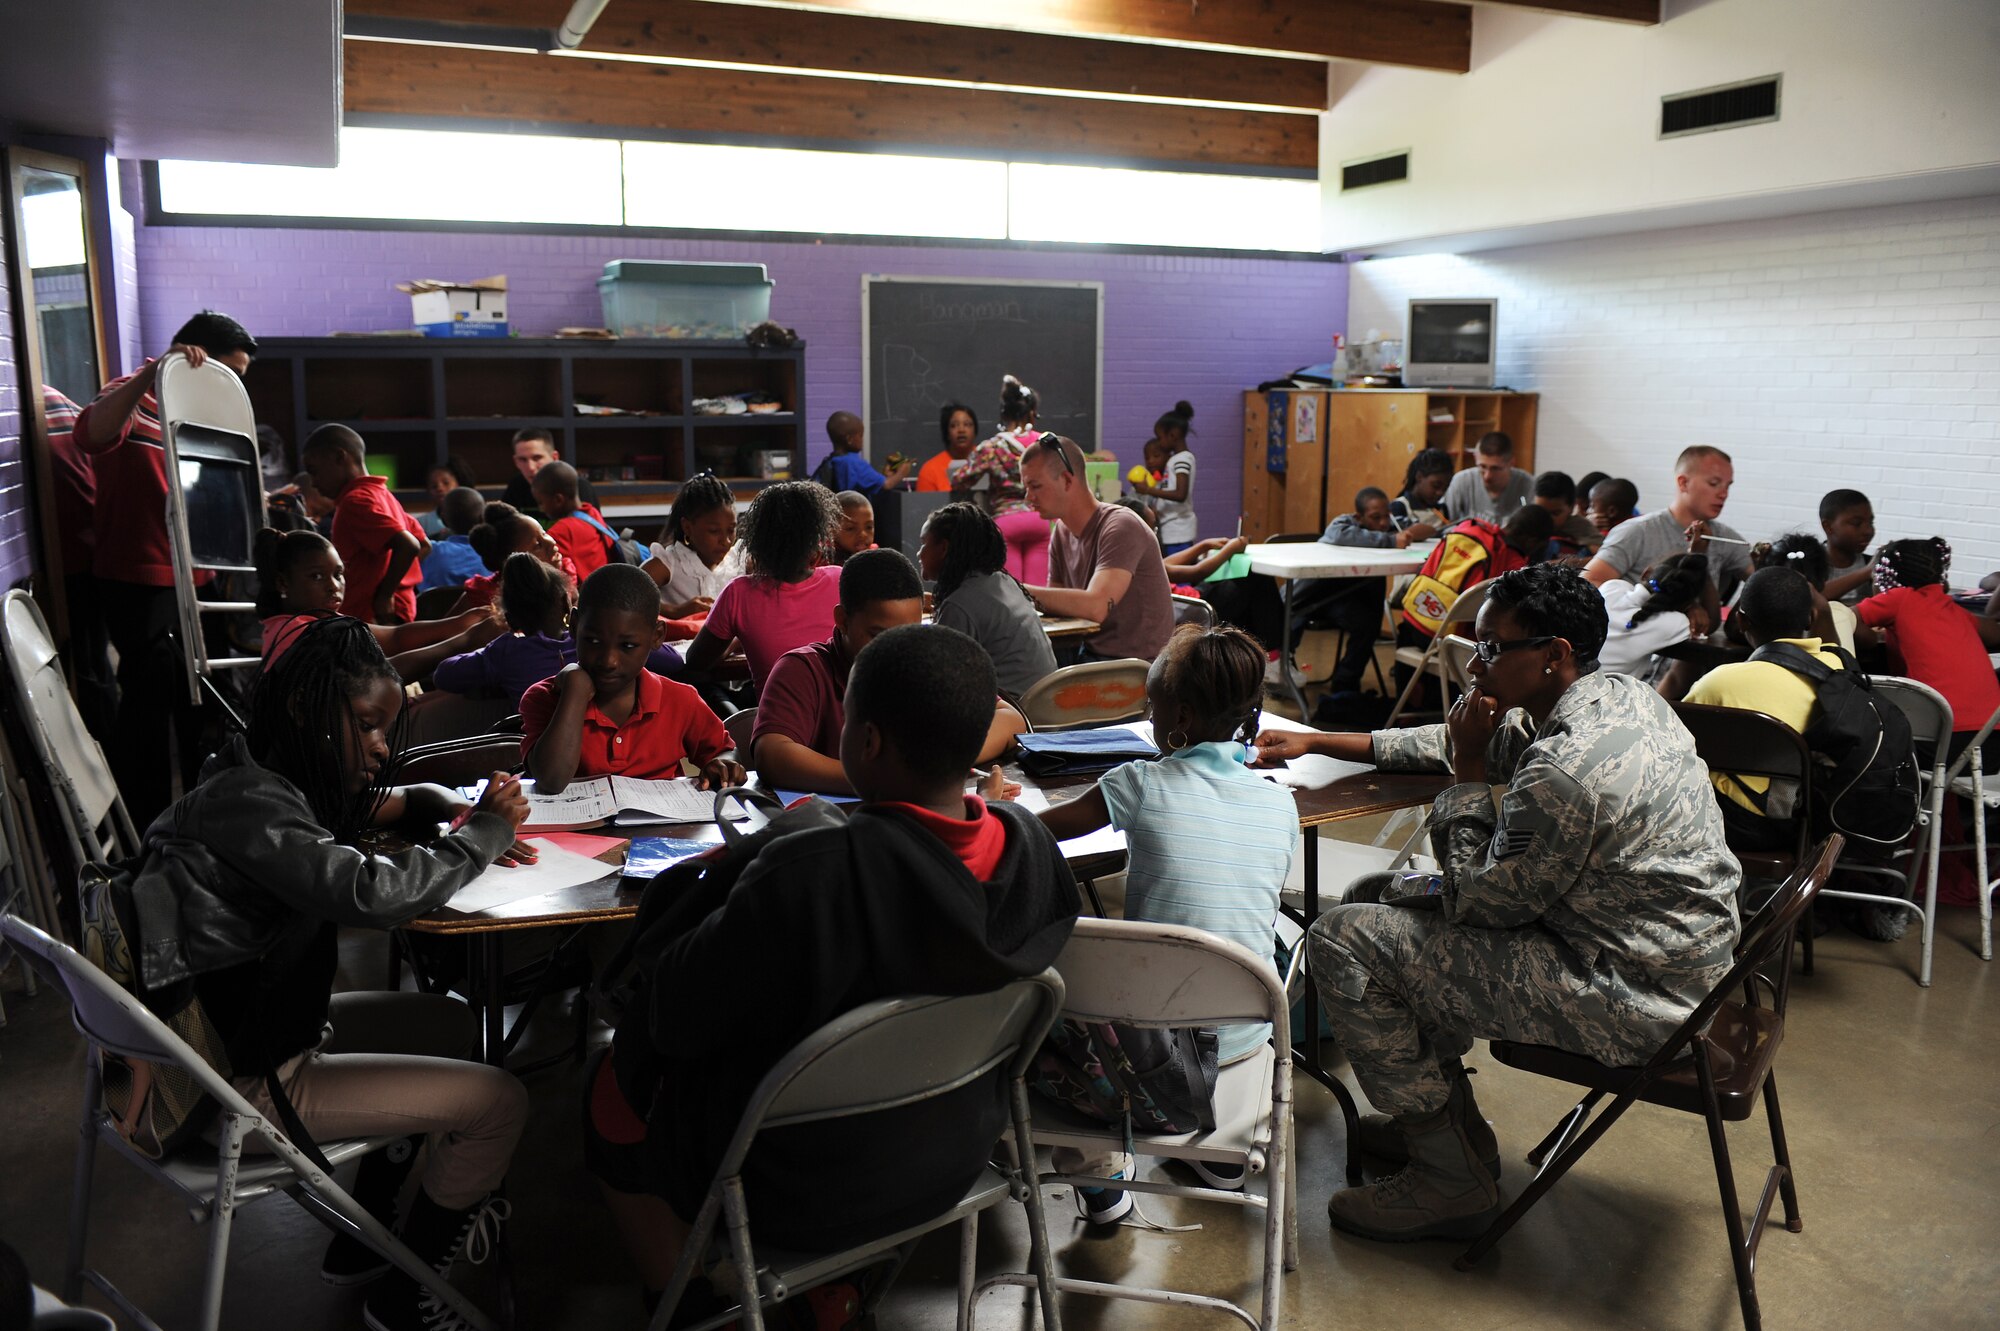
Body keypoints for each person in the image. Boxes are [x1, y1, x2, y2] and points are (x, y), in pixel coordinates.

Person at [580, 624, 1078, 1318]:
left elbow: (670, 1014)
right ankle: (828, 1289)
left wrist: (746, 865)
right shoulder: (1034, 854)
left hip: (793, 1179)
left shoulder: (816, 870)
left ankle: (679, 1295)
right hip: (955, 1152)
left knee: (611, 1073)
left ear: (866, 741)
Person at [1252, 564, 1741, 1241]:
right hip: (1676, 968)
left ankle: (1449, 1177)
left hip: (1637, 999)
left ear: (1553, 655)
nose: (1474, 665)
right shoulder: (1619, 698)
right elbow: (1460, 738)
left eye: (1490, 648)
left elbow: (1480, 898)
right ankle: (1450, 1129)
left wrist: (1470, 777)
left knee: (1342, 937)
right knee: (1375, 895)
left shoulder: (1568, 769)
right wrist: (1327, 740)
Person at [107, 615, 535, 1331]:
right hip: (244, 1089)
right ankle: (410, 1297)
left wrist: (427, 806)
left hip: (244, 1043)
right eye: (368, 726)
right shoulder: (255, 806)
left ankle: (362, 1236)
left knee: (448, 1022)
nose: (379, 749)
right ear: (309, 709)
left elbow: (334, 831)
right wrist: (483, 836)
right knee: (502, 1102)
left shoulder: (245, 775)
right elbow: (368, 893)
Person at [1035, 623, 1298, 1214]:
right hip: (1241, 1053)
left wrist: (998, 804)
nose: (1149, 722)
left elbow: (1035, 831)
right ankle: (1219, 1149)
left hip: (1138, 1065)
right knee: (1267, 937)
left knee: (1043, 990)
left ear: (1179, 715)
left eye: (1151, 708)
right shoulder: (1281, 801)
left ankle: (1102, 1183)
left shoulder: (1139, 784)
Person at [73, 310, 260, 823]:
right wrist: (153, 374)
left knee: (200, 699)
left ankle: (203, 813)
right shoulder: (136, 395)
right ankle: (150, 820)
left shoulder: (203, 411)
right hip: (138, 577)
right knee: (149, 700)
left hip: (197, 575)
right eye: (230, 371)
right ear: (192, 354)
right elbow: (90, 436)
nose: (233, 384)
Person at [752, 549, 1026, 795]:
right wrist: (885, 783)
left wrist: (940, 766)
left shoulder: (925, 662)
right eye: (878, 635)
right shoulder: (804, 669)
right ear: (843, 620)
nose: (897, 649)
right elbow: (773, 754)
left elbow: (1011, 720)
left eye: (909, 633)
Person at [521, 565, 743, 795]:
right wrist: (575, 692)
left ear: (656, 636)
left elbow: (725, 751)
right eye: (594, 641)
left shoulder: (680, 700)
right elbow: (551, 781)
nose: (609, 661)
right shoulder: (544, 698)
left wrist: (724, 764)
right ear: (575, 626)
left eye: (627, 646)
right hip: (579, 830)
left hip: (665, 829)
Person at [1683, 567, 1847, 852]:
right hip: (1808, 822)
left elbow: (1670, 745)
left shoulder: (1719, 681)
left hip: (1733, 825)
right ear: (1810, 618)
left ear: (1741, 621)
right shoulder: (1837, 671)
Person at [434, 553, 686, 710]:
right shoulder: (604, 646)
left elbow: (444, 674)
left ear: (510, 620)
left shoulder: (504, 652)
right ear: (567, 605)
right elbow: (674, 662)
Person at [254, 528, 501, 678]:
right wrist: (464, 640)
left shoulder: (306, 623)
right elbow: (381, 676)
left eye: (338, 574)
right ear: (283, 583)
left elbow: (395, 637)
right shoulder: (307, 633)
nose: (333, 585)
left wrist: (459, 623)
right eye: (316, 576)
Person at [1020, 435, 1175, 663]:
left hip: (1140, 669)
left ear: (1066, 481)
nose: (1028, 497)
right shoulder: (1061, 532)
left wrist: (1017, 590)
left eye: (1035, 486)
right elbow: (1058, 607)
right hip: (1093, 657)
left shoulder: (1121, 526)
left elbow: (1096, 607)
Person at [682, 481, 844, 691]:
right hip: (842, 718)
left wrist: (738, 640)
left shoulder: (738, 594)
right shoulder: (840, 580)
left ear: (755, 546)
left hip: (775, 720)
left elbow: (696, 661)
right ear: (816, 551)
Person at [1856, 538, 2000, 764]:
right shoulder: (1951, 607)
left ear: (1885, 579)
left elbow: (1842, 617)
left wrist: (1872, 638)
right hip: (1991, 745)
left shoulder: (1899, 598)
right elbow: (1994, 634)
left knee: (1864, 740)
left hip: (1944, 745)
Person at [1289, 488, 1439, 696]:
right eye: (1375, 517)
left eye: (1386, 516)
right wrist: (1390, 541)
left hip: (1346, 602)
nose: (1383, 523)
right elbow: (1336, 534)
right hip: (1311, 599)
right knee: (1291, 613)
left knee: (1368, 622)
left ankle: (1346, 683)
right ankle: (1284, 670)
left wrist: (1409, 533)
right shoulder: (1344, 524)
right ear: (1359, 517)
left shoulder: (1390, 526)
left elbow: (1429, 529)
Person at [921, 502, 1059, 698]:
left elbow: (942, 680)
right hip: (1044, 706)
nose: (919, 554)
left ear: (943, 548)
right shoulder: (1002, 580)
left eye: (923, 543)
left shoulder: (959, 603)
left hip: (1014, 712)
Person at [43, 385, 117, 740]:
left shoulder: (32, 405)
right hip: (97, 550)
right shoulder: (58, 402)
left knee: (86, 665)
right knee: (93, 660)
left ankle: (106, 750)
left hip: (74, 559)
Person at [300, 425, 431, 626]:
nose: (314, 483)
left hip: (370, 617)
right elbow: (424, 545)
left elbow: (409, 545)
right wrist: (397, 586)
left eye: (314, 471)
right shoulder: (384, 496)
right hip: (391, 614)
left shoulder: (355, 501)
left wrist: (384, 596)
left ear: (339, 457)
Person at [1585, 447, 1751, 596]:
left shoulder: (1724, 537)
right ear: (1683, 482)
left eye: (1727, 486)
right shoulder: (1638, 531)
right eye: (1714, 483)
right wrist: (1641, 605)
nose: (1724, 494)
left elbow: (1759, 579)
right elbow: (1588, 582)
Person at [1398, 506, 1554, 644]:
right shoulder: (1513, 565)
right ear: (1531, 541)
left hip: (1411, 619)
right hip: (1448, 641)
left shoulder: (1469, 527)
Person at [958, 375, 1051, 584]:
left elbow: (960, 478)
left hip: (1006, 522)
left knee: (1012, 593)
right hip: (1040, 519)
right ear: (1032, 413)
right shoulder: (1044, 443)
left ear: (1004, 414)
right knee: (1040, 594)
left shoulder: (992, 447)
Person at [1595, 552, 1715, 679]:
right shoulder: (1674, 623)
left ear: (1646, 573)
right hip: (1610, 696)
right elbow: (1710, 623)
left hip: (1575, 687)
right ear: (1687, 602)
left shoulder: (1612, 587)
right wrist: (1694, 605)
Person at [643, 472, 743, 618]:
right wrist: (675, 611)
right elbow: (627, 594)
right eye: (714, 531)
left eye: (731, 530)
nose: (726, 541)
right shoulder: (671, 563)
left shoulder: (737, 562)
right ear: (688, 527)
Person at [454, 503, 578, 611]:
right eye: (537, 545)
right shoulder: (487, 594)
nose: (551, 542)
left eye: (544, 533)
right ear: (512, 562)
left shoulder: (564, 572)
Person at [533, 460, 622, 582]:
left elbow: (536, 569)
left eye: (541, 502)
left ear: (558, 500)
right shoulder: (591, 513)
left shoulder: (562, 531)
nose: (541, 509)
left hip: (586, 598)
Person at [1129, 402, 1198, 554]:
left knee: (1179, 574)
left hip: (1178, 531)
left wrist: (1148, 490)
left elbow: (1180, 494)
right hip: (1170, 529)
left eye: (1160, 438)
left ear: (1173, 435)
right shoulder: (1175, 460)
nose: (1159, 442)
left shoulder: (1182, 459)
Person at [501, 427, 599, 514]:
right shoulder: (516, 487)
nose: (531, 467)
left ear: (554, 457)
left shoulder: (578, 487)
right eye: (522, 460)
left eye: (537, 458)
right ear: (516, 462)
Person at [1441, 432, 1533, 523]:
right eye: (1482, 467)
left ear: (1511, 463)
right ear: (1475, 458)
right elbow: (1444, 524)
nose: (1487, 476)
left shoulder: (1527, 485)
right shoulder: (1462, 481)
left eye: (1495, 468)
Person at [417, 486, 490, 592]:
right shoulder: (495, 555)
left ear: (443, 520)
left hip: (436, 608)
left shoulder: (428, 551)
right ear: (483, 517)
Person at [819, 411, 909, 496]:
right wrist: (901, 472)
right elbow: (887, 485)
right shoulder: (854, 463)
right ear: (849, 439)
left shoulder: (831, 461)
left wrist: (885, 476)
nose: (862, 440)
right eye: (860, 436)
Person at [1819, 488, 1876, 604]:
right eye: (1857, 523)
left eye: (1870, 522)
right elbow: (1810, 597)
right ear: (1828, 527)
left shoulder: (1871, 564)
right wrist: (1867, 571)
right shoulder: (1805, 563)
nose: (1868, 531)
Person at [1532, 471, 1603, 556]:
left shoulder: (1580, 526)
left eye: (1555, 513)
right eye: (1540, 511)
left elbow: (1602, 555)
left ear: (1572, 507)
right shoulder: (1528, 521)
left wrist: (1570, 562)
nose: (1545, 518)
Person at [917, 402, 979, 492]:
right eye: (954, 425)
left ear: (975, 431)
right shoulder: (930, 470)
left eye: (967, 424)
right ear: (947, 433)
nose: (961, 430)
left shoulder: (989, 461)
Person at [1391, 449, 1454, 530]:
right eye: (1436, 486)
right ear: (1419, 477)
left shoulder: (1442, 509)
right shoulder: (1399, 506)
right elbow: (1397, 536)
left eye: (1445, 488)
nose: (1440, 492)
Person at [419, 456, 477, 538]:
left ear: (459, 484)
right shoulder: (422, 524)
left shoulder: (474, 519)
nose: (440, 488)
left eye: (446, 483)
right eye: (434, 486)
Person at [832, 490, 877, 565]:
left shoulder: (876, 557)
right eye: (851, 528)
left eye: (869, 527)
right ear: (831, 530)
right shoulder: (824, 563)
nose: (863, 535)